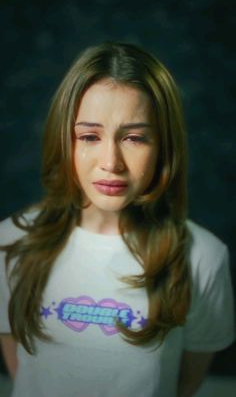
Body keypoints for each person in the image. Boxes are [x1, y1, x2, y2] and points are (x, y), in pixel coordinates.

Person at [0, 41, 234, 397]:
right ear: (66, 141)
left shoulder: (202, 257)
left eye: (135, 138)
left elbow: (183, 385)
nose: (111, 162)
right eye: (90, 136)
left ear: (164, 147)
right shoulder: (10, 242)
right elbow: (22, 371)